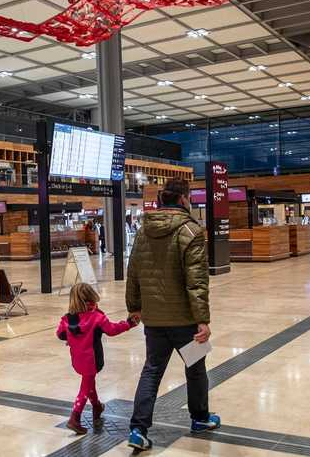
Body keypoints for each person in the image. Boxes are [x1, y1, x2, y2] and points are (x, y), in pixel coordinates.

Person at [125, 177, 220, 451]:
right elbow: (197, 280)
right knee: (196, 368)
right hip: (185, 322)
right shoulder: (191, 230)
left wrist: (134, 307)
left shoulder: (143, 231)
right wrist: (203, 319)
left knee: (152, 370)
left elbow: (133, 273)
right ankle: (200, 418)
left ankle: (138, 430)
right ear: (182, 199)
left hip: (154, 321)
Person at [57, 283, 138, 435]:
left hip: (77, 358)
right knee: (84, 388)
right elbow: (112, 330)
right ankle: (75, 417)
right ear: (92, 298)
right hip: (93, 359)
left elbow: (60, 334)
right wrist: (128, 324)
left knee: (89, 382)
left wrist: (72, 338)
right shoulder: (96, 317)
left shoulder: (67, 319)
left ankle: (96, 407)